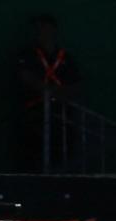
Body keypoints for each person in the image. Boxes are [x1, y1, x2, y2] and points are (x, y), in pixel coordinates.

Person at [16, 14, 81, 173]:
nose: (42, 32)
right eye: (39, 29)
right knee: (33, 158)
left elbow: (77, 84)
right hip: (35, 115)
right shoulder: (28, 55)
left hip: (61, 116)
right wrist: (47, 91)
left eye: (46, 28)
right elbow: (25, 77)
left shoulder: (65, 57)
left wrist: (59, 94)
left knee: (61, 158)